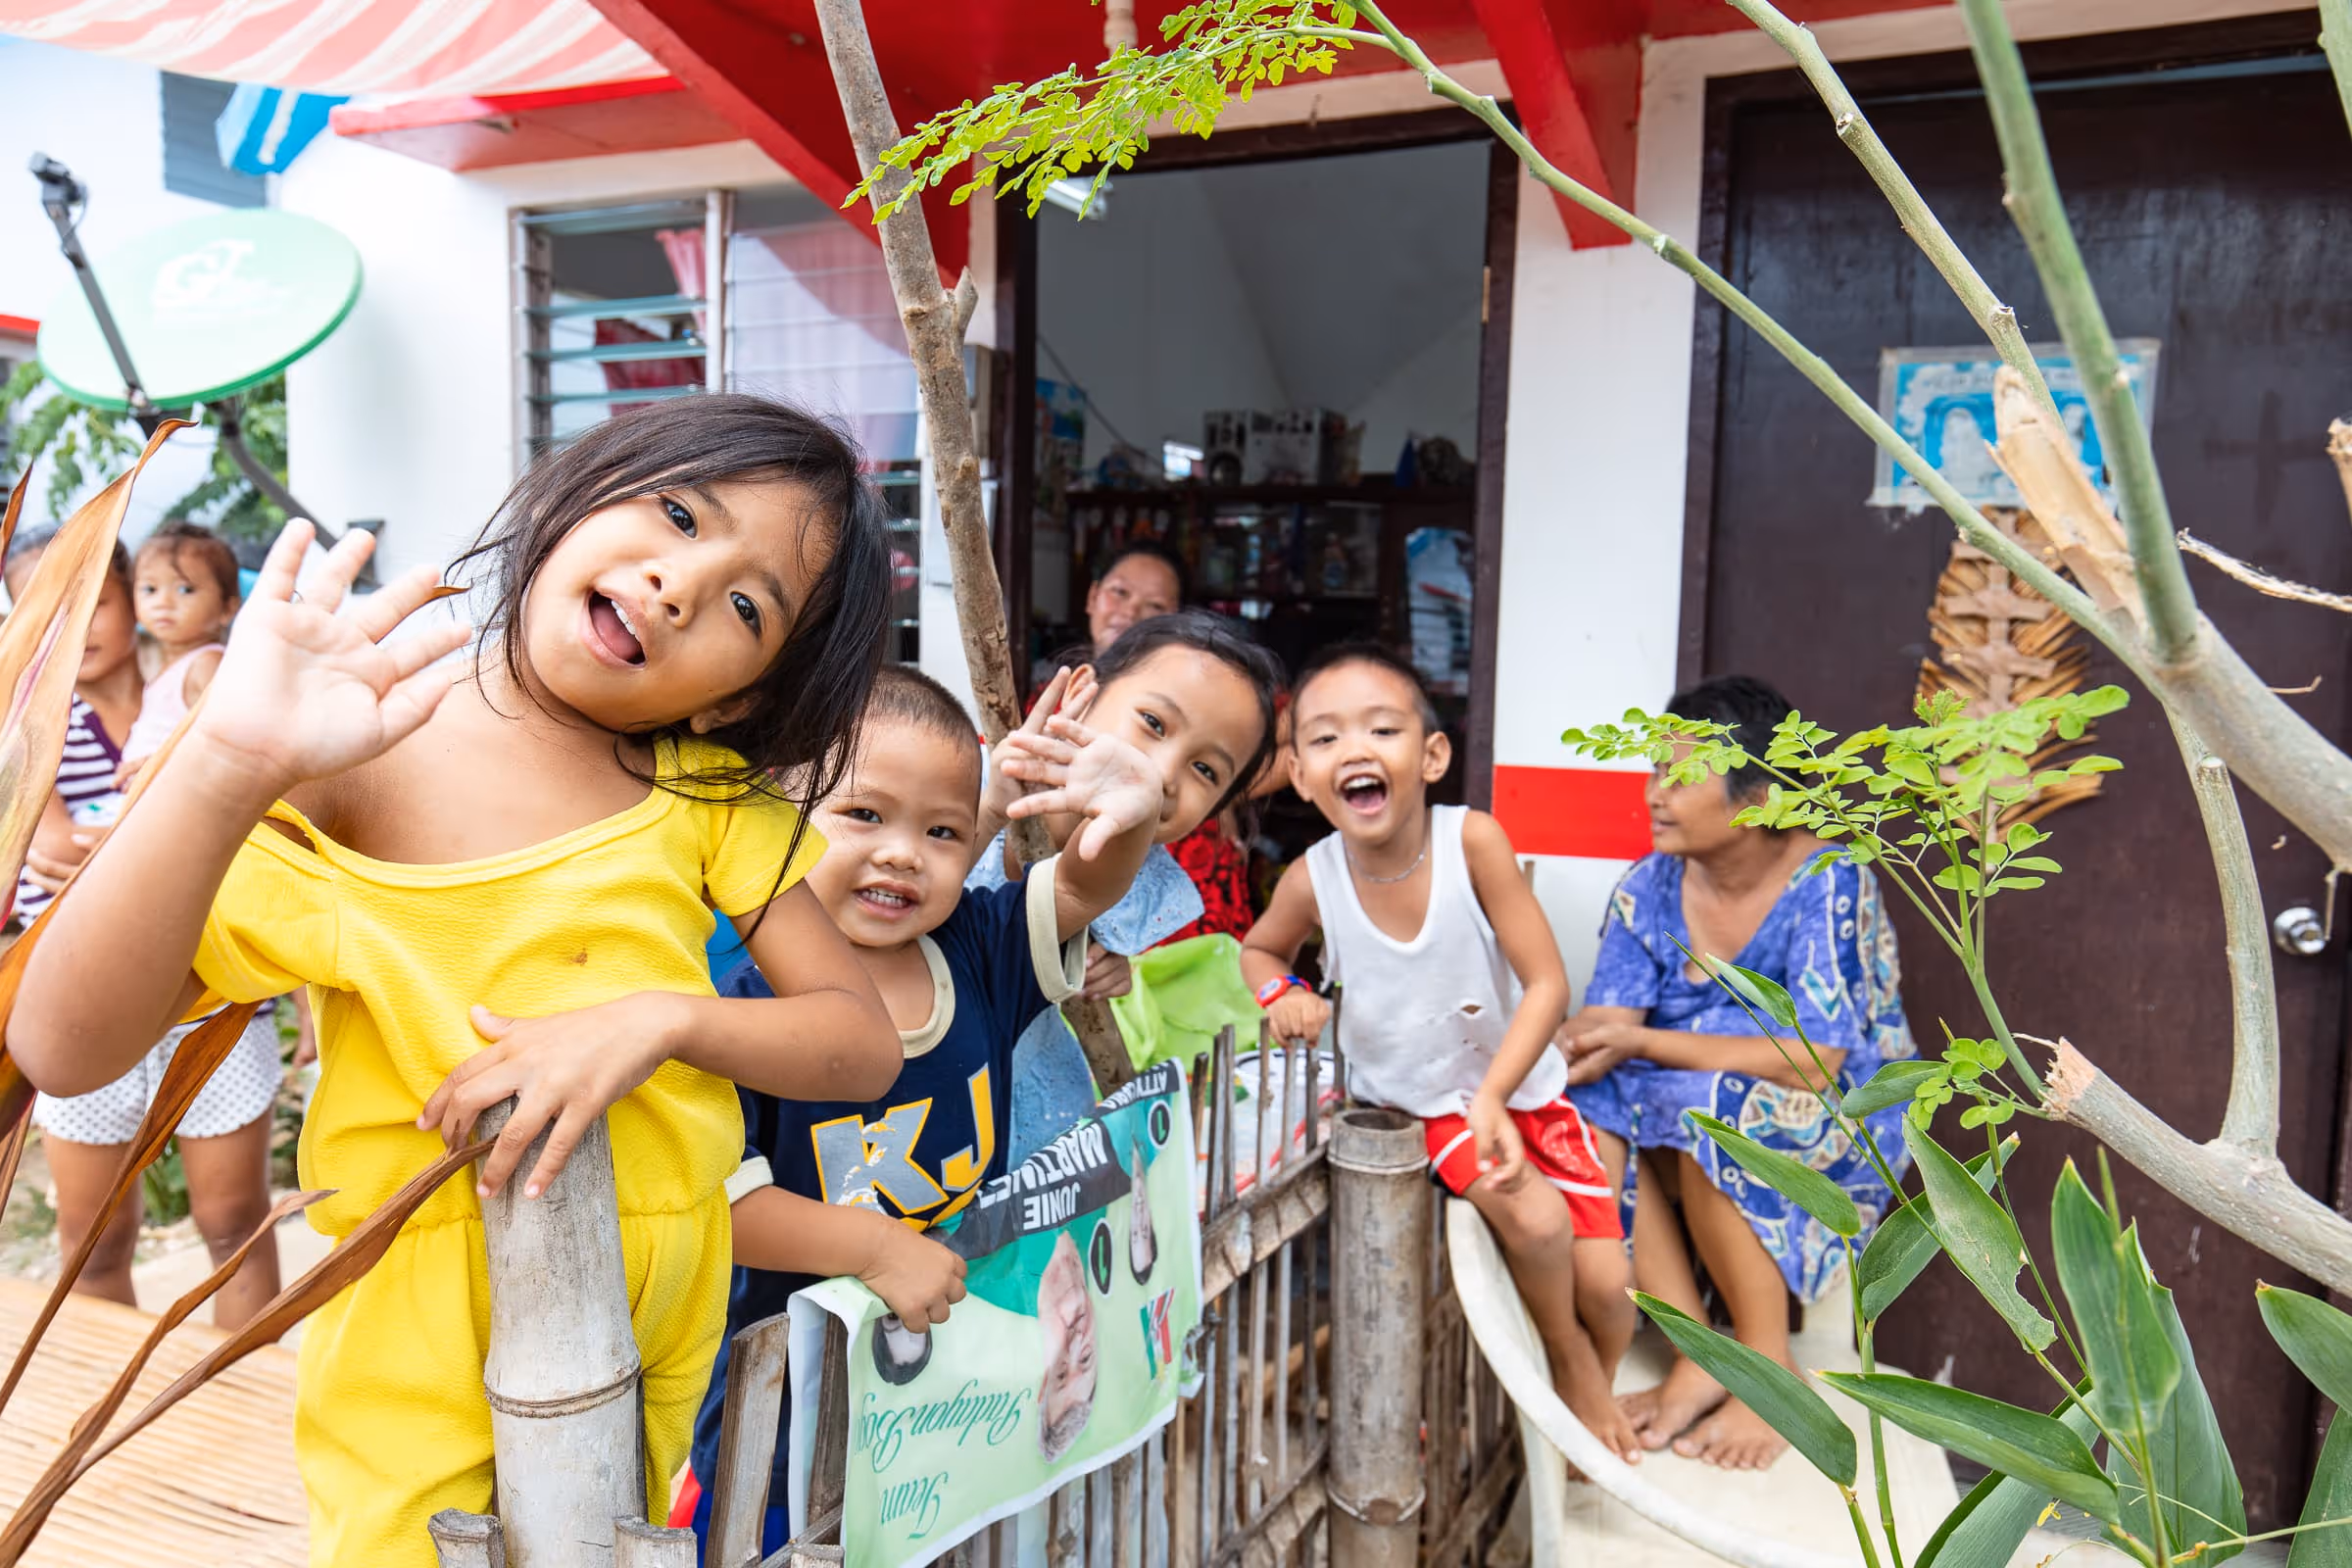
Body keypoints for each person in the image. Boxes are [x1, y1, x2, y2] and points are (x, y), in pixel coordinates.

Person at [7, 394, 906, 1567]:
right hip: (408, 1291)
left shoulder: (706, 797)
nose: (682, 583)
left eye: (746, 604)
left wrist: (660, 1018)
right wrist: (227, 765)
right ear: (579, 490)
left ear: (738, 696)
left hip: (657, 1285)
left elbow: (859, 1042)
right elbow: (65, 1043)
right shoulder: (354, 748)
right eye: (680, 513)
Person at [677, 662, 1165, 1555]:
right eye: (864, 815)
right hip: (790, 1418)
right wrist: (873, 1249)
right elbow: (723, 1207)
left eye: (943, 830)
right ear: (774, 819)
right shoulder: (741, 1009)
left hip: (951, 1403)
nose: (904, 852)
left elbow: (1087, 889)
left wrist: (1128, 814)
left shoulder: (979, 949)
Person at [1243, 643, 1641, 1462]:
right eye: (1323, 740)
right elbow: (1260, 952)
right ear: (1301, 775)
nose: (1353, 749)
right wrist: (1285, 997)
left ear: (1430, 756)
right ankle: (1571, 1375)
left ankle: (1565, 1401)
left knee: (1611, 1293)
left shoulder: (1474, 844)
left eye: (1381, 728)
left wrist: (1496, 1094)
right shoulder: (1312, 880)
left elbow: (1547, 987)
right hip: (1418, 1105)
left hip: (1519, 1089)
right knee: (1532, 1219)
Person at [1560, 674, 1915, 1471]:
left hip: (1847, 1118)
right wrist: (1581, 1042)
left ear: (1758, 796)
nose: (1656, 794)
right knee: (1589, 1098)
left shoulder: (1829, 881)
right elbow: (1609, 1029)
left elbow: (1817, 1061)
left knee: (1698, 1098)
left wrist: (1642, 1046)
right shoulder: (1646, 888)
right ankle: (1698, 1351)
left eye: (1679, 777)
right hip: (1697, 1098)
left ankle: (1764, 1367)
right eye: (1654, 771)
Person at [6, 526, 284, 1330]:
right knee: (92, 1247)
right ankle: (114, 1440)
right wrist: (180, 836)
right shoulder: (30, 721)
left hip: (212, 1003)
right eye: (43, 613)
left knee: (233, 1223)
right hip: (72, 1010)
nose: (74, 628)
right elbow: (54, 851)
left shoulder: (200, 692)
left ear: (139, 596)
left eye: (95, 599)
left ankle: (242, 1417)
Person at [974, 609, 1284, 1159]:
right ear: (1085, 693)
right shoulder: (975, 782)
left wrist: (1105, 966)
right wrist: (992, 811)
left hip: (1026, 1112)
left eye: (1206, 771)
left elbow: (1068, 940)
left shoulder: (1139, 878)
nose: (1164, 772)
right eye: (1154, 724)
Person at [118, 520, 241, 783]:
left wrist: (160, 764)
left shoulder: (207, 663)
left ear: (227, 609)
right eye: (150, 589)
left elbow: (230, 742)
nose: (163, 602)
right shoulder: (167, 666)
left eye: (185, 589)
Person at [1082, 538, 1184, 654]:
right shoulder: (1063, 670)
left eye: (1155, 606)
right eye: (1120, 592)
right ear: (1093, 597)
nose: (1131, 613)